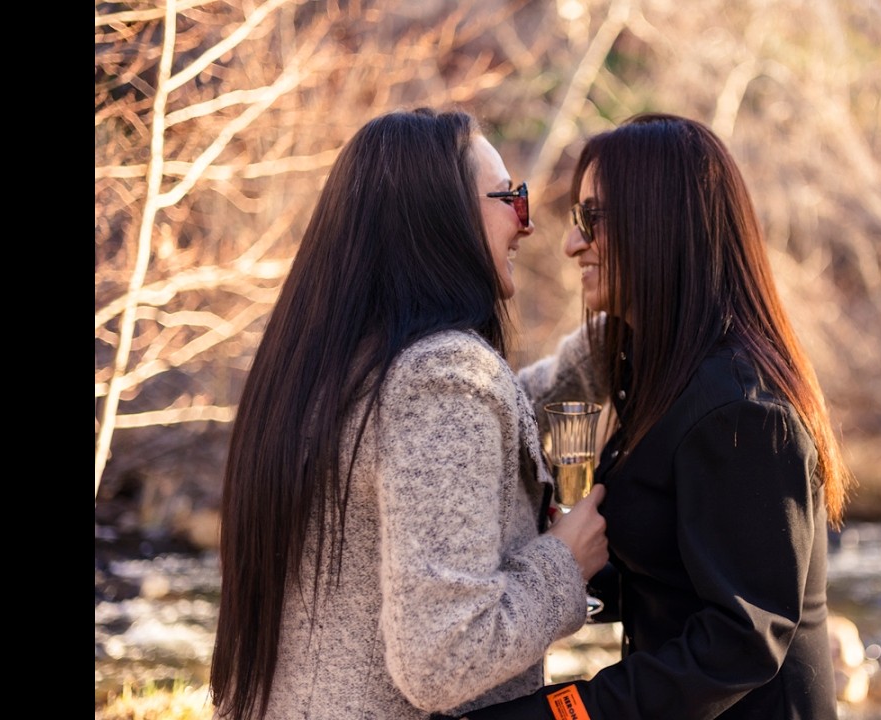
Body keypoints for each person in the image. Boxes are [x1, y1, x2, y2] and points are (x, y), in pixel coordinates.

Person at [208, 107, 609, 720]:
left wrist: (625, 324)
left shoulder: (325, 371)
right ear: (437, 216)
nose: (527, 224)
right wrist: (564, 563)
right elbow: (444, 657)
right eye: (510, 198)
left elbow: (502, 417)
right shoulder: (438, 377)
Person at [471, 113, 856, 719]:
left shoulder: (738, 410)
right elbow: (670, 576)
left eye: (592, 220)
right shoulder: (653, 377)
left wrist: (556, 714)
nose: (573, 244)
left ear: (662, 223)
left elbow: (741, 643)